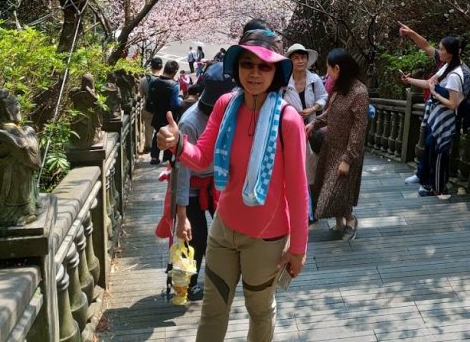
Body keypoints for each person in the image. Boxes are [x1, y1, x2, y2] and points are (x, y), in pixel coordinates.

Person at [156, 28, 309, 342]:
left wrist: (298, 249)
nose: (254, 73)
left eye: (264, 66)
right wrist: (178, 144)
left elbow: (297, 189)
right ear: (237, 67)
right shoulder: (226, 105)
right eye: (247, 64)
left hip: (266, 238)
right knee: (213, 309)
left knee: (260, 310)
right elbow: (202, 158)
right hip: (223, 229)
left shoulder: (288, 120)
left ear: (277, 71)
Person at [172, 62, 237, 301]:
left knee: (227, 232)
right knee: (194, 236)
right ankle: (187, 283)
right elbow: (182, 171)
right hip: (192, 186)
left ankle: (221, 277)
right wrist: (182, 216)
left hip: (218, 183)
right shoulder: (190, 121)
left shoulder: (237, 112)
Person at [307, 49, 369, 239]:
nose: (327, 73)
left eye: (329, 69)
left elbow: (359, 129)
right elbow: (330, 114)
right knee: (334, 190)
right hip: (330, 147)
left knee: (332, 193)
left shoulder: (359, 93)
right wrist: (314, 123)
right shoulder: (339, 89)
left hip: (346, 151)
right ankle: (339, 223)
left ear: (338, 68)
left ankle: (350, 219)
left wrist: (348, 158)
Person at [399, 35, 465, 199]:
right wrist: (409, 81)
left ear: (451, 53)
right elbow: (430, 83)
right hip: (436, 119)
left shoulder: (455, 75)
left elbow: (453, 103)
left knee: (440, 154)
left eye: (442, 49)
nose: (439, 52)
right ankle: (433, 186)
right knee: (433, 150)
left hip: (445, 122)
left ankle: (439, 189)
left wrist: (435, 94)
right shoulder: (445, 67)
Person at [398, 22, 470, 96]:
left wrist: (436, 96)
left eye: (442, 49)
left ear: (453, 51)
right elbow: (425, 46)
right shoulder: (445, 61)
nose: (439, 52)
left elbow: (460, 100)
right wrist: (411, 33)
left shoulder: (463, 73)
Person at [148, 59, 182, 166]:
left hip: (157, 114)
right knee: (169, 135)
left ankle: (154, 156)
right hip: (169, 116)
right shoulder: (174, 85)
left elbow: (150, 98)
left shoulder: (154, 82)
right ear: (175, 71)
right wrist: (181, 100)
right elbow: (174, 104)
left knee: (157, 133)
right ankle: (167, 158)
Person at [283, 43, 327, 122]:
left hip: (311, 124)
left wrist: (313, 109)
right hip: (290, 124)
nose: (300, 61)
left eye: (303, 57)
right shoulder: (283, 82)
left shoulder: (315, 79)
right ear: (290, 61)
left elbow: (323, 97)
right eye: (296, 58)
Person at [138, 57, 165, 155]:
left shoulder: (144, 80)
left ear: (151, 67)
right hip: (162, 109)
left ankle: (148, 146)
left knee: (148, 128)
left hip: (148, 108)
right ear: (161, 66)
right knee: (161, 128)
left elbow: (140, 95)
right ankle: (160, 146)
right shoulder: (165, 79)